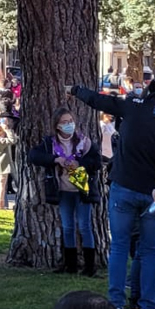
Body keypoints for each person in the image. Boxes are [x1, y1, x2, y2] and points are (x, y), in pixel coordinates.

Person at [68, 73, 155, 309]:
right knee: (149, 251)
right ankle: (147, 306)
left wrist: (75, 90)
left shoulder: (134, 107)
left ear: (152, 90)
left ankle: (116, 302)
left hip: (124, 185)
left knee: (119, 246)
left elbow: (100, 101)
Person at [30, 107, 102, 275]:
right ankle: (71, 265)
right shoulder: (50, 144)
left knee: (84, 226)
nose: (69, 125)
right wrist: (56, 159)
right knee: (67, 226)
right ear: (57, 125)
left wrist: (80, 163)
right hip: (63, 190)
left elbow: (97, 162)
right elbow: (33, 156)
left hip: (82, 190)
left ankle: (90, 267)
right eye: (64, 122)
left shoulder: (84, 142)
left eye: (71, 121)